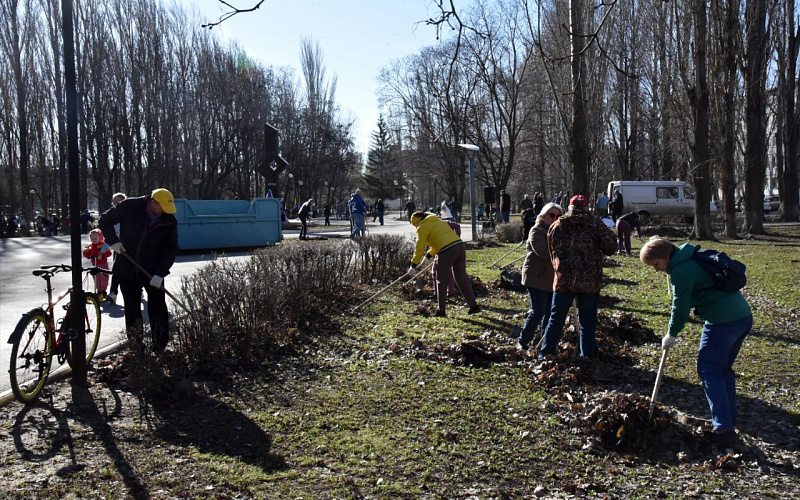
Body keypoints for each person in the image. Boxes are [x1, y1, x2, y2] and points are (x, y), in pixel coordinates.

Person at [639, 237, 752, 445]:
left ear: (666, 256)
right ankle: (727, 421)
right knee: (722, 370)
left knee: (709, 369)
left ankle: (724, 430)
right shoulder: (687, 257)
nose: (656, 270)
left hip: (723, 321)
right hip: (742, 316)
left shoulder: (681, 271)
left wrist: (671, 334)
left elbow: (680, 307)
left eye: (656, 264)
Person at [99, 188, 178, 352]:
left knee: (158, 309)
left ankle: (159, 347)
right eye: (162, 207)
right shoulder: (130, 206)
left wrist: (160, 273)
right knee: (132, 309)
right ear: (153, 202)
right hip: (127, 267)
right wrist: (113, 241)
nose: (164, 212)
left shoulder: (169, 220)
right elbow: (105, 219)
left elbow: (170, 249)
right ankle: (137, 346)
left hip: (153, 271)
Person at [538, 195, 617, 359]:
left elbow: (552, 251)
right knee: (587, 322)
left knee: (555, 320)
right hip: (590, 282)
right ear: (587, 208)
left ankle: (545, 354)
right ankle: (586, 356)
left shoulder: (557, 225)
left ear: (569, 208)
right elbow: (610, 247)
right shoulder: (595, 224)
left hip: (564, 280)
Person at [407, 211, 481, 317]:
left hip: (447, 251)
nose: (415, 227)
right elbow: (439, 242)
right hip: (459, 247)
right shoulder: (437, 220)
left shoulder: (422, 227)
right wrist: (428, 256)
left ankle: (441, 311)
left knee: (441, 280)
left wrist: (413, 265)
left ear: (417, 222)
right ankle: (474, 306)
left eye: (414, 225)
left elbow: (419, 248)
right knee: (461, 277)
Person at [517, 202, 564, 351]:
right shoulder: (536, 231)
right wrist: (563, 251)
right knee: (538, 311)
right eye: (551, 215)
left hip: (552, 279)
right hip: (536, 277)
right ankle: (523, 340)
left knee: (550, 313)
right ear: (543, 216)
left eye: (558, 215)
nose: (555, 218)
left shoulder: (559, 231)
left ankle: (544, 341)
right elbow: (543, 252)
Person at [432, 220, 462, 298]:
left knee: (436, 271)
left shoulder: (442, 223)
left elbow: (457, 226)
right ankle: (449, 291)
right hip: (442, 247)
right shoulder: (435, 224)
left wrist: (457, 238)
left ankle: (439, 292)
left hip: (445, 248)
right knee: (445, 270)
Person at [107, 192, 127, 304]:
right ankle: (113, 293)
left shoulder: (130, 214)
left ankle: (140, 288)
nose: (115, 205)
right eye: (113, 203)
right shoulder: (111, 216)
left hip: (131, 247)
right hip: (118, 247)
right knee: (116, 270)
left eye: (118, 202)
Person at [82, 228, 112, 300]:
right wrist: (86, 251)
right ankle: (98, 290)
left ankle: (103, 291)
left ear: (100, 237)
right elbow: (87, 254)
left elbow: (109, 253)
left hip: (102, 264)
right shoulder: (91, 246)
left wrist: (102, 255)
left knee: (103, 278)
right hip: (94, 264)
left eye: (95, 238)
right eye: (92, 238)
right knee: (96, 278)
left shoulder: (102, 245)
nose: (93, 240)